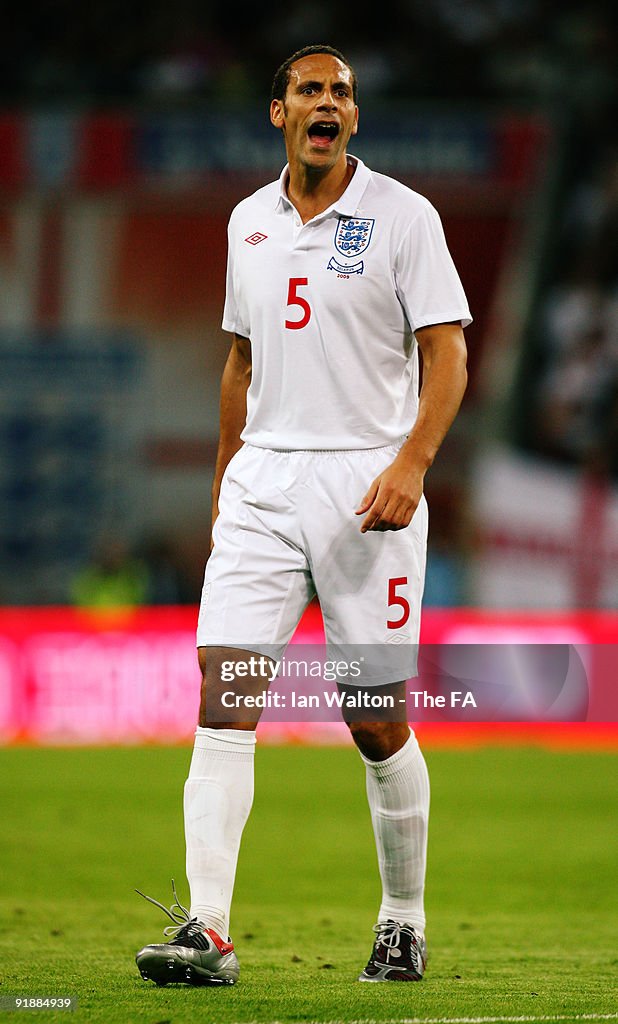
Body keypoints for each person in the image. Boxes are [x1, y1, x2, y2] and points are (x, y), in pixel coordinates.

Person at [135, 43, 471, 987]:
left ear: (352, 118)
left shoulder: (405, 217)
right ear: (279, 113)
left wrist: (412, 462)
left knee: (372, 716)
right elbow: (239, 367)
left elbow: (447, 357)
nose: (328, 101)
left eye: (342, 91)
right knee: (224, 693)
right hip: (264, 485)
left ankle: (401, 922)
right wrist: (222, 486)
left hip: (370, 485)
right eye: (310, 89)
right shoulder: (247, 222)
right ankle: (208, 929)